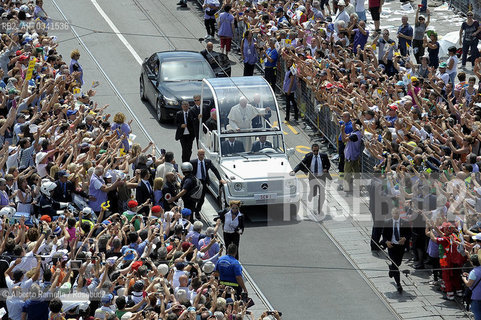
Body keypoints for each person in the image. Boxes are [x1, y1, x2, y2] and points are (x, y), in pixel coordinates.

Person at [292, 143, 331, 213]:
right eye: (314, 151)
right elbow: (301, 164)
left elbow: (328, 164)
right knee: (314, 193)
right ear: (312, 150)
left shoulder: (323, 156)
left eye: (317, 151)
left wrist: (326, 168)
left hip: (321, 177)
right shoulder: (308, 156)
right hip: (312, 177)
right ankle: (313, 201)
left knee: (322, 193)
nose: (316, 152)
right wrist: (294, 171)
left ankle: (319, 209)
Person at [381, 208, 411, 294]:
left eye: (397, 213)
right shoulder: (387, 222)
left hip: (400, 247)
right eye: (394, 213)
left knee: (398, 263)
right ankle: (398, 283)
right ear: (391, 213)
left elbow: (409, 233)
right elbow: (384, 234)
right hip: (392, 246)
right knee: (395, 265)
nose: (395, 215)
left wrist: (404, 238)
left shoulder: (404, 223)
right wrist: (386, 242)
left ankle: (391, 269)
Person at [190, 149, 224, 220]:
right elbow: (189, 172)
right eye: (200, 155)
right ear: (198, 155)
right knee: (194, 197)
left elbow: (214, 170)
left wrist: (220, 179)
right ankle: (192, 211)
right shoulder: (193, 162)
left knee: (202, 198)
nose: (202, 156)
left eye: (203, 154)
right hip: (196, 182)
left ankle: (197, 211)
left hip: (204, 181)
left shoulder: (207, 162)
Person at [341, 120, 362, 194]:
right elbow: (346, 135)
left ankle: (347, 187)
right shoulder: (354, 132)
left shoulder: (355, 135)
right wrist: (343, 130)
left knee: (347, 172)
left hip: (351, 156)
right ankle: (358, 186)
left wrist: (341, 130)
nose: (352, 124)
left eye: (353, 123)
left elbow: (344, 139)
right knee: (356, 172)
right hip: (354, 155)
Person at [463, 254, 481, 318]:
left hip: (477, 296)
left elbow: (469, 284)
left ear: (472, 262)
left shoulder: (473, 272)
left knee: (477, 312)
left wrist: (464, 278)